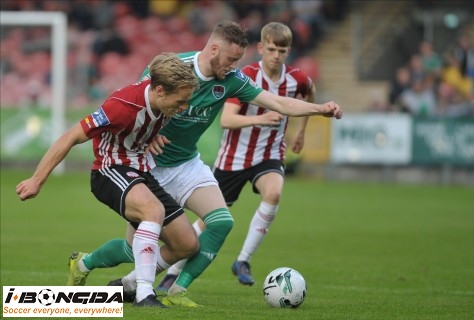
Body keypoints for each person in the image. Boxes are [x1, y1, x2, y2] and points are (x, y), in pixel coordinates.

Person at [72, 20, 343, 308]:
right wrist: (149, 137)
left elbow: (276, 102)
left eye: (239, 59)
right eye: (231, 59)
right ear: (213, 49)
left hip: (187, 164)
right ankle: (86, 263)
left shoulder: (232, 80)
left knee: (222, 221)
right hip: (148, 167)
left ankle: (177, 290)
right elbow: (141, 104)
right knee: (131, 249)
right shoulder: (175, 69)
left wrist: (319, 109)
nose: (235, 65)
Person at [15, 53, 200, 308]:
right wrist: (37, 179)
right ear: (159, 90)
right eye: (180, 102)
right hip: (108, 170)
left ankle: (111, 278)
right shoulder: (122, 106)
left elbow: (148, 124)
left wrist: (150, 137)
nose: (183, 108)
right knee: (153, 211)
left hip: (141, 172)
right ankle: (145, 294)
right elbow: (71, 136)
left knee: (187, 244)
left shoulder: (165, 100)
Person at [156, 21, 314, 288]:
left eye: (282, 50)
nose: (277, 55)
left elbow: (307, 93)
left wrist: (307, 124)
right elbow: (227, 120)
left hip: (268, 155)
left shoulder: (292, 78)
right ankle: (158, 277)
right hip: (232, 158)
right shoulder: (241, 76)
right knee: (157, 234)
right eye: (272, 49)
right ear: (262, 48)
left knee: (270, 194)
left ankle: (241, 260)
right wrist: (260, 120)